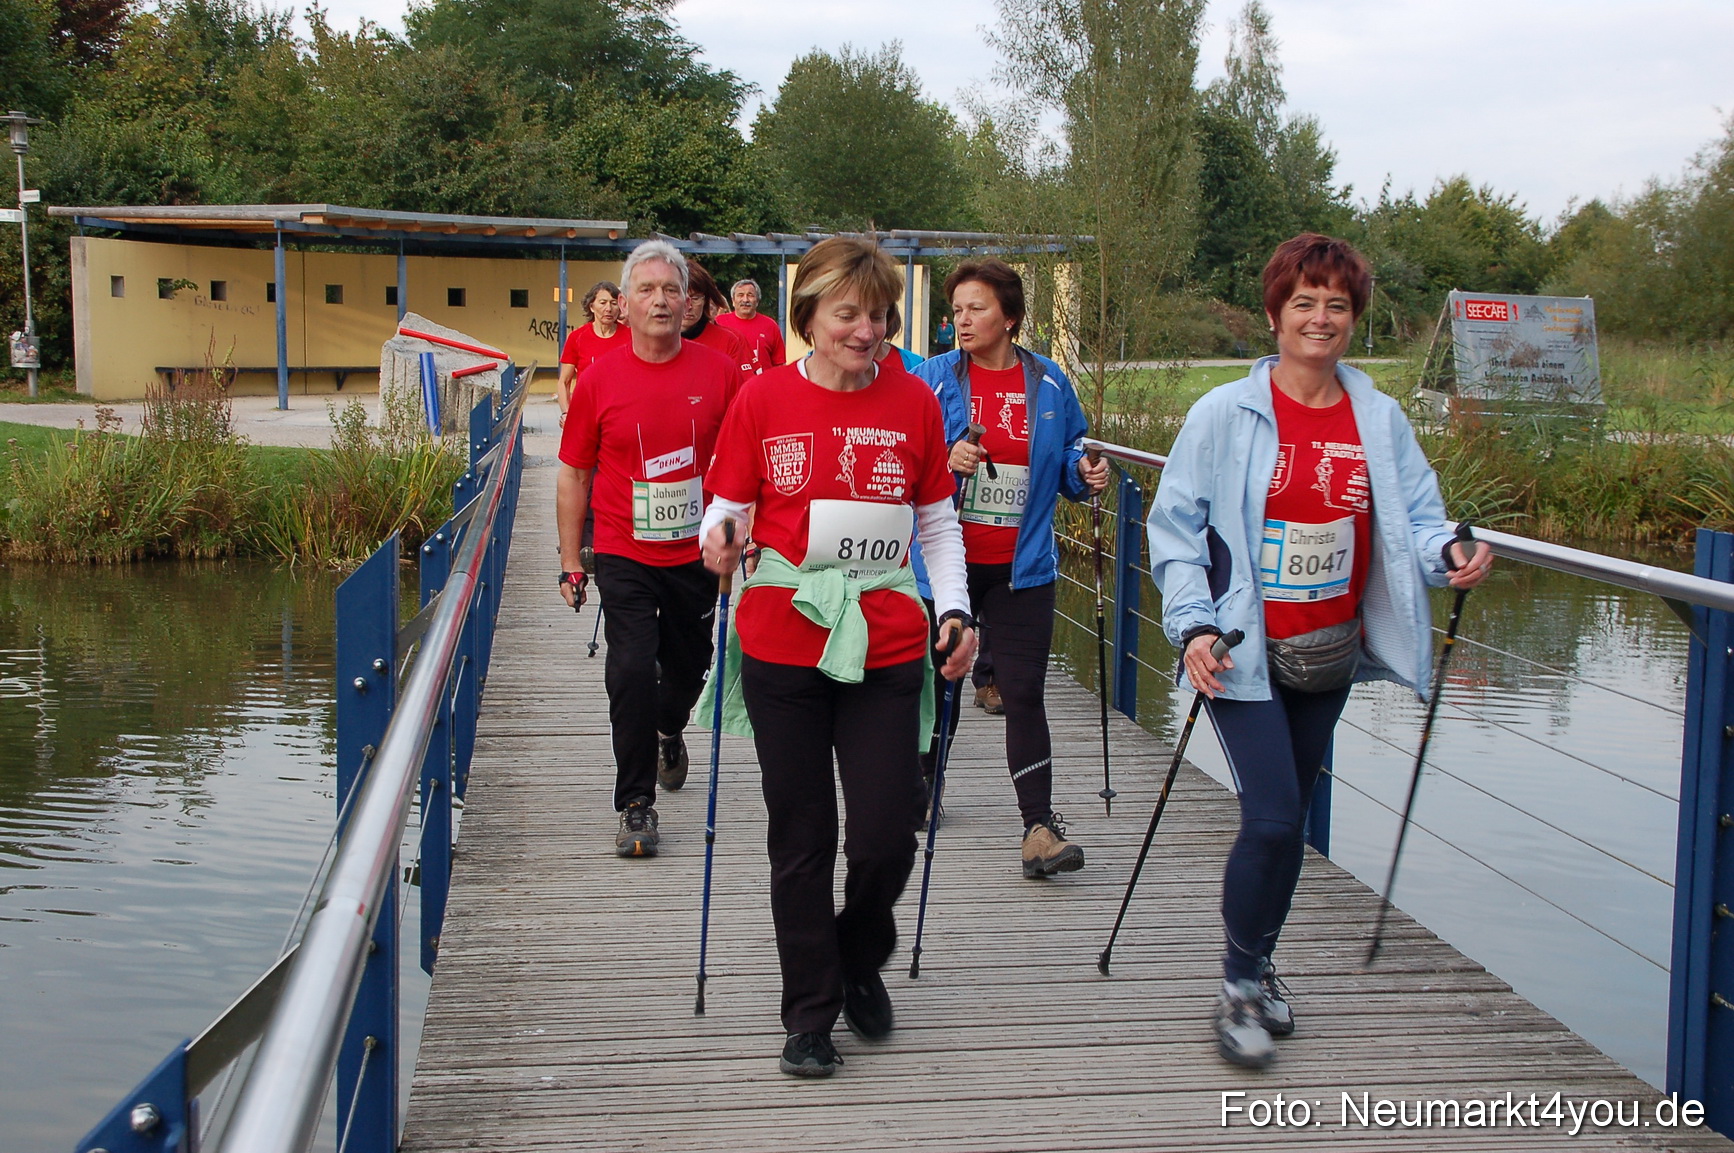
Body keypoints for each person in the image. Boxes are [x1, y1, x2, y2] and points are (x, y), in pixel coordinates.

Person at [1146, 233, 1493, 1070]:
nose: (1321, 317)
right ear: (1274, 314)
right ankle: (1237, 984)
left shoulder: (1377, 416)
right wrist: (1192, 623)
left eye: (1337, 304)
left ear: (1354, 318)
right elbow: (1175, 529)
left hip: (1328, 651)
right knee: (1270, 815)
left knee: (1290, 820)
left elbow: (1417, 517)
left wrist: (1453, 553)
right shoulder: (1223, 414)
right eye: (1303, 301)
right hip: (1239, 652)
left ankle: (1262, 962)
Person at [698, 236, 975, 1079]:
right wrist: (719, 536)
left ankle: (858, 951)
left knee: (889, 831)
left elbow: (935, 521)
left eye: (879, 314)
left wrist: (956, 608)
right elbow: (729, 501)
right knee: (803, 835)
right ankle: (810, 1014)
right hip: (784, 637)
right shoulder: (762, 398)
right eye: (847, 313)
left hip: (888, 638)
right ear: (809, 317)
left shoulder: (915, 402)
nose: (866, 330)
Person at [912, 258, 1109, 879]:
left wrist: (1085, 471)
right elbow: (907, 463)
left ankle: (1039, 828)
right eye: (958, 310)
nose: (962, 320)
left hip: (1023, 568)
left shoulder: (1049, 382)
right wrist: (949, 458)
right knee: (936, 689)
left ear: (1012, 317)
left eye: (977, 308)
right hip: (947, 567)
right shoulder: (933, 380)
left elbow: (1071, 448)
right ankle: (921, 792)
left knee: (1024, 693)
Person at [556, 240, 745, 857]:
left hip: (697, 555)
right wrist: (569, 560)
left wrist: (746, 534)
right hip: (622, 548)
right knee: (631, 668)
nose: (660, 300)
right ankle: (636, 803)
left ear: (688, 300)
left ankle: (670, 728)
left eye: (672, 289)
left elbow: (746, 464)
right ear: (623, 303)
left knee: (690, 665)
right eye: (646, 290)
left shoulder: (719, 374)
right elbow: (574, 473)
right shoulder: (600, 378)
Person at [556, 281, 625, 425]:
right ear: (592, 307)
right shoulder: (577, 337)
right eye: (603, 302)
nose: (608, 308)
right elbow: (564, 381)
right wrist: (566, 413)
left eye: (613, 303)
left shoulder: (632, 338)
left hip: (620, 415)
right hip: (585, 413)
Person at [682, 260, 755, 378]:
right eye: (682, 297)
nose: (689, 306)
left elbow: (744, 389)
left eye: (696, 298)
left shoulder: (728, 342)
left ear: (706, 300)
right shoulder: (653, 341)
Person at [715, 277, 786, 373]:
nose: (745, 300)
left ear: (757, 301)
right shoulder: (719, 323)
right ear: (733, 301)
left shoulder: (770, 325)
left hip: (762, 385)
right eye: (740, 295)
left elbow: (779, 365)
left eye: (750, 295)